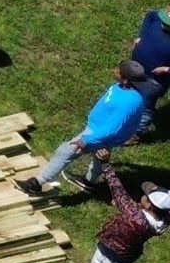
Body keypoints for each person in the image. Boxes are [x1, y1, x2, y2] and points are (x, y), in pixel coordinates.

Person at [22, 66, 156, 194]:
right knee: (99, 157)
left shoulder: (129, 102)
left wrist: (87, 140)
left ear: (126, 80)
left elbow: (112, 129)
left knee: (66, 151)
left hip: (98, 133)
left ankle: (36, 183)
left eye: (119, 71)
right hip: (99, 131)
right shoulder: (123, 87)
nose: (115, 71)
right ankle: (88, 182)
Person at [83, 171, 170, 263]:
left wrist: (106, 166)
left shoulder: (133, 214)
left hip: (108, 254)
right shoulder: (162, 221)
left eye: (145, 195)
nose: (143, 195)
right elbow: (137, 211)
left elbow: (118, 190)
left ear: (149, 205)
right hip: (127, 256)